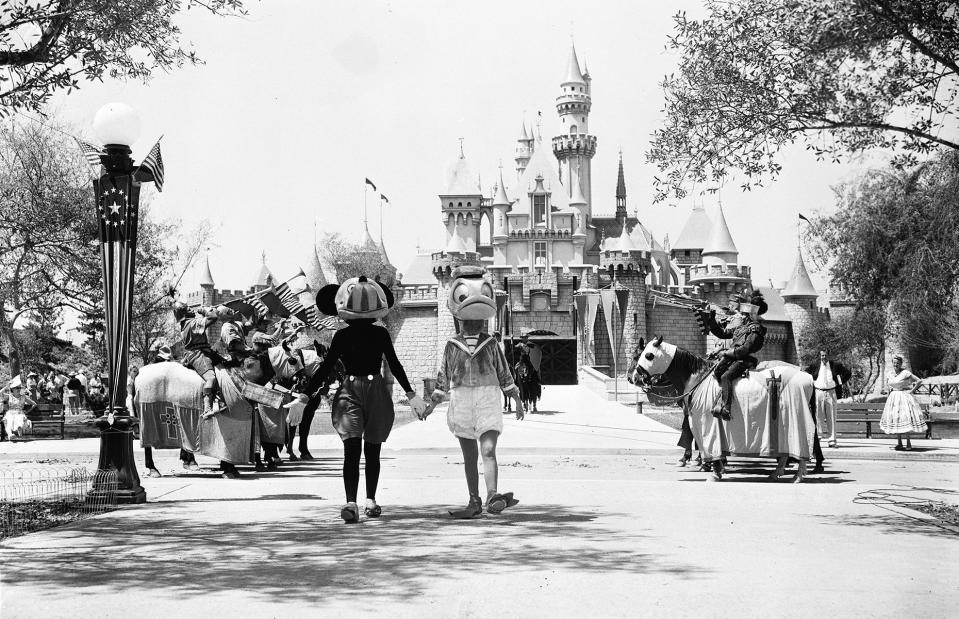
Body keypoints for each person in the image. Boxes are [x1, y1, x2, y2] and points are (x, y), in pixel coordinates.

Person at [303, 276, 428, 522]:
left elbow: (395, 364)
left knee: (373, 448)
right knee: (352, 447)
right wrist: (304, 396)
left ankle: (370, 499)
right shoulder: (341, 337)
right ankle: (351, 503)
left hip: (376, 393)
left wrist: (411, 394)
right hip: (350, 392)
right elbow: (325, 367)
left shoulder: (380, 335)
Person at [427, 265, 524, 518]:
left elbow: (504, 373)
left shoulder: (491, 344)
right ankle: (474, 500)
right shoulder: (451, 345)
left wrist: (516, 398)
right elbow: (442, 378)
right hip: (461, 401)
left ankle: (493, 496)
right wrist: (432, 404)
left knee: (489, 450)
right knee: (469, 456)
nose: (477, 321)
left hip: (488, 399)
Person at [697, 290, 768, 420]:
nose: (742, 315)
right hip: (734, 358)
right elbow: (722, 333)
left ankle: (726, 408)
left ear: (751, 314)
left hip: (745, 360)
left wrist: (726, 352)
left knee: (726, 377)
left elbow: (745, 349)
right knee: (716, 372)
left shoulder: (755, 328)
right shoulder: (743, 327)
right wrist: (712, 320)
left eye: (745, 313)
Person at [174, 301, 227, 417]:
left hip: (206, 351)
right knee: (211, 378)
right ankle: (207, 407)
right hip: (199, 354)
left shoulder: (187, 324)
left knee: (227, 365)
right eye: (188, 309)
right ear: (184, 314)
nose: (191, 309)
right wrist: (205, 310)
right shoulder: (191, 323)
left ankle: (220, 397)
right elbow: (213, 318)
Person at [805, 350, 852, 448]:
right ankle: (817, 438)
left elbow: (847, 373)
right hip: (818, 392)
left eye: (826, 355)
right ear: (820, 356)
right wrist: (811, 383)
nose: (824, 357)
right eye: (822, 355)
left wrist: (840, 382)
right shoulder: (815, 365)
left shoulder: (835, 365)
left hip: (831, 392)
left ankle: (832, 440)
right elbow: (805, 373)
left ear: (829, 356)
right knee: (818, 416)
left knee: (832, 417)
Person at [880, 355, 926, 451]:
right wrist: (889, 397)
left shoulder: (905, 373)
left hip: (903, 397)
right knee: (896, 419)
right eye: (894, 363)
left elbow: (919, 381)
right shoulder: (890, 374)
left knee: (905, 418)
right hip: (893, 398)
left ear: (901, 364)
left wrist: (912, 391)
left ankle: (908, 442)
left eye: (898, 363)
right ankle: (899, 443)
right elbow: (889, 387)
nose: (896, 364)